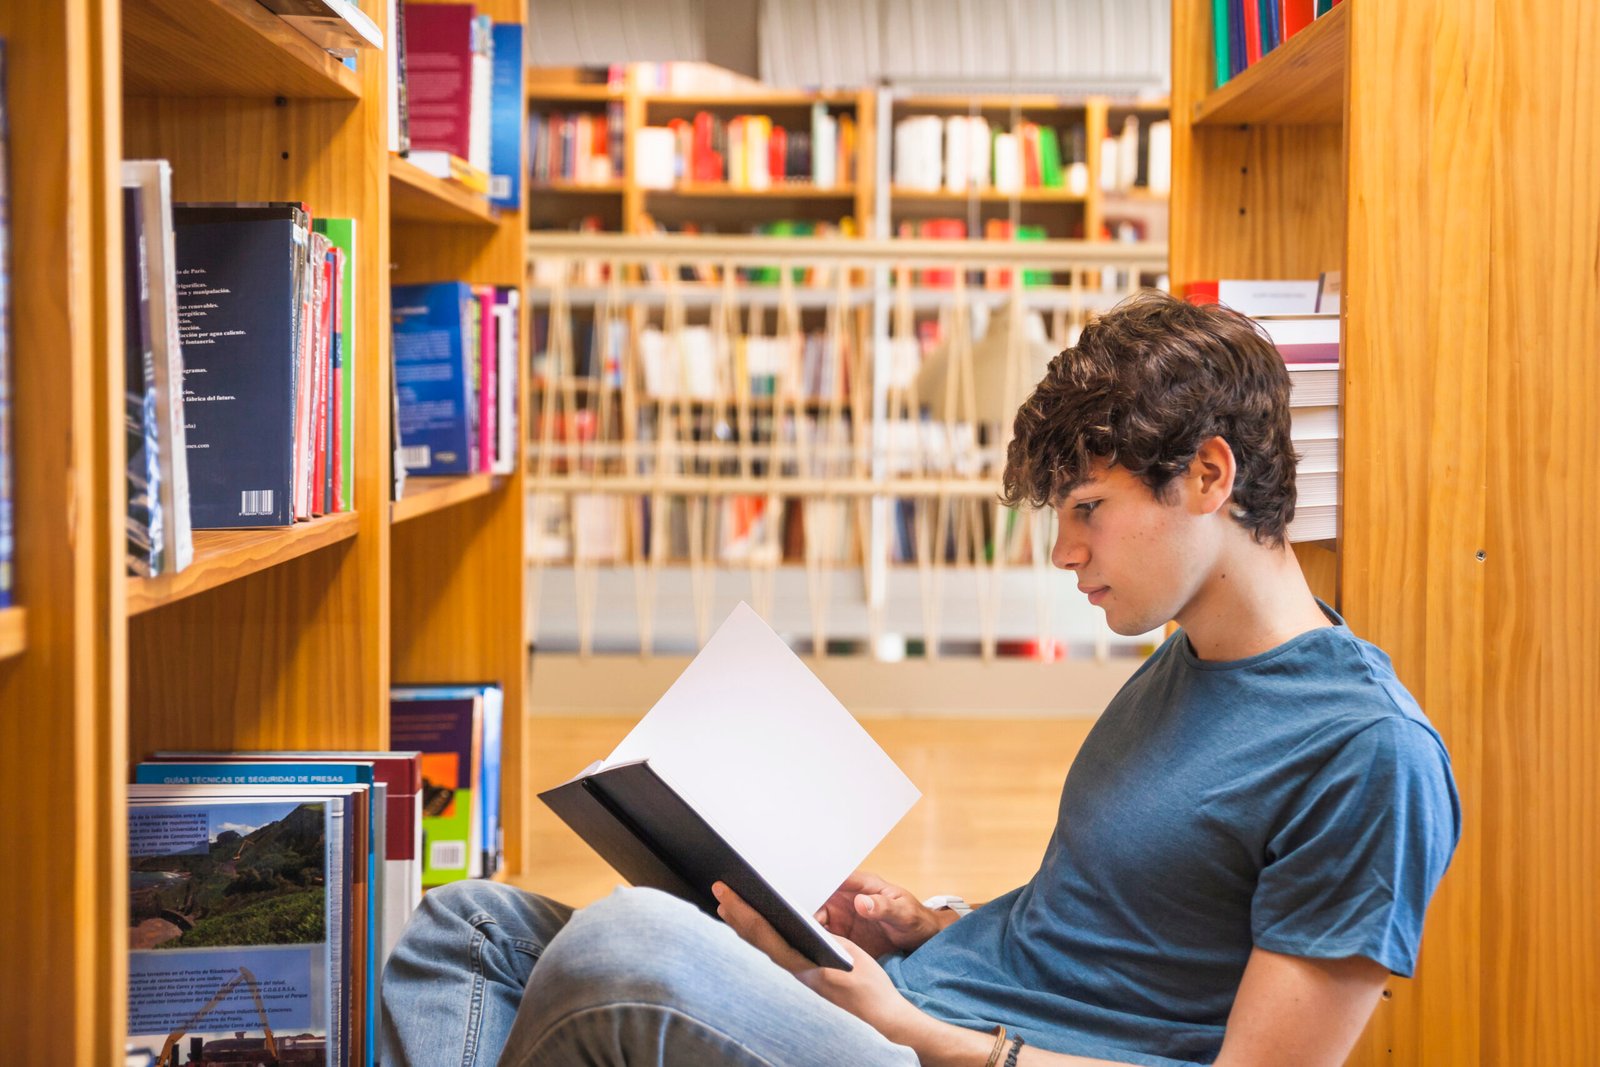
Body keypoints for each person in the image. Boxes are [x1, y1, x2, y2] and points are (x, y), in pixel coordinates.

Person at [379, 290, 1460, 1067]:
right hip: (913, 994)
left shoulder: (1364, 752)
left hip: (929, 1048)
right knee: (462, 927)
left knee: (627, 941)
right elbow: (1106, 932)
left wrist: (908, 1027)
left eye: (1086, 508)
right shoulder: (1190, 655)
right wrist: (922, 921)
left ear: (1210, 474)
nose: (1062, 554)